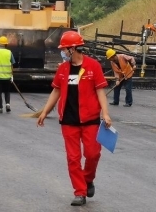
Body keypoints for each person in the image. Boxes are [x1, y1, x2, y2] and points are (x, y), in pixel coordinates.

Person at [37, 31, 112, 206]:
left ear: (73, 49)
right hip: (69, 121)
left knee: (93, 154)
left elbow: (101, 91)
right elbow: (56, 90)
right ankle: (80, 192)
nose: (62, 52)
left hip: (90, 119)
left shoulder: (93, 66)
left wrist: (105, 113)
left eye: (64, 49)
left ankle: (88, 179)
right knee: (73, 158)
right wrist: (44, 112)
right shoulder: (63, 69)